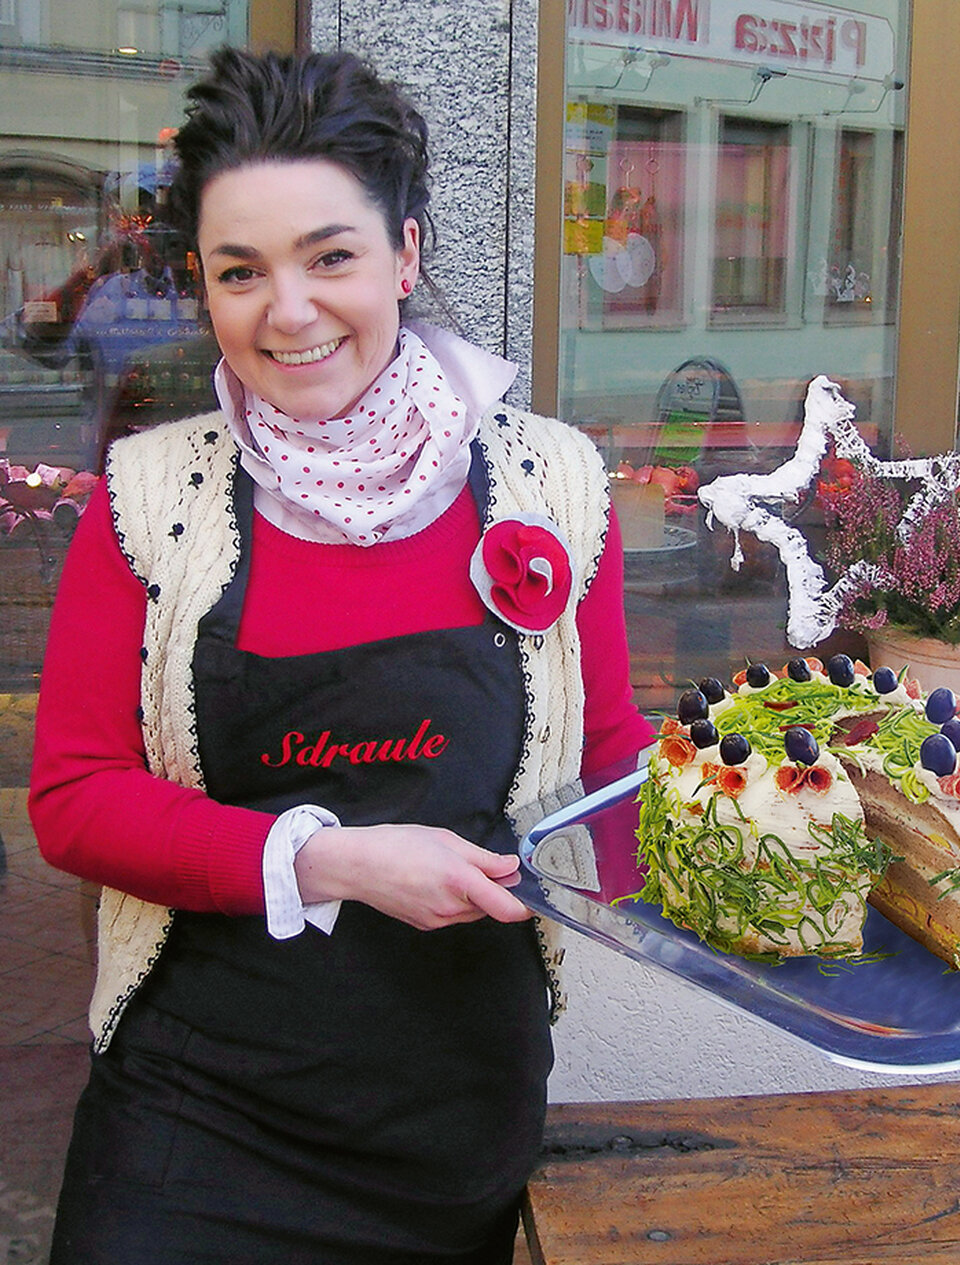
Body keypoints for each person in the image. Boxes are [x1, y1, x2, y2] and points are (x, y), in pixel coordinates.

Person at [29, 47, 653, 1264]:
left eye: (331, 256)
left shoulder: (551, 482)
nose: (290, 309)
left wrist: (751, 866)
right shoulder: (149, 500)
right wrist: (332, 859)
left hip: (455, 1117)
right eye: (240, 272)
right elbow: (74, 799)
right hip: (196, 1121)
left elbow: (609, 754)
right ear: (201, 288)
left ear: (404, 255)